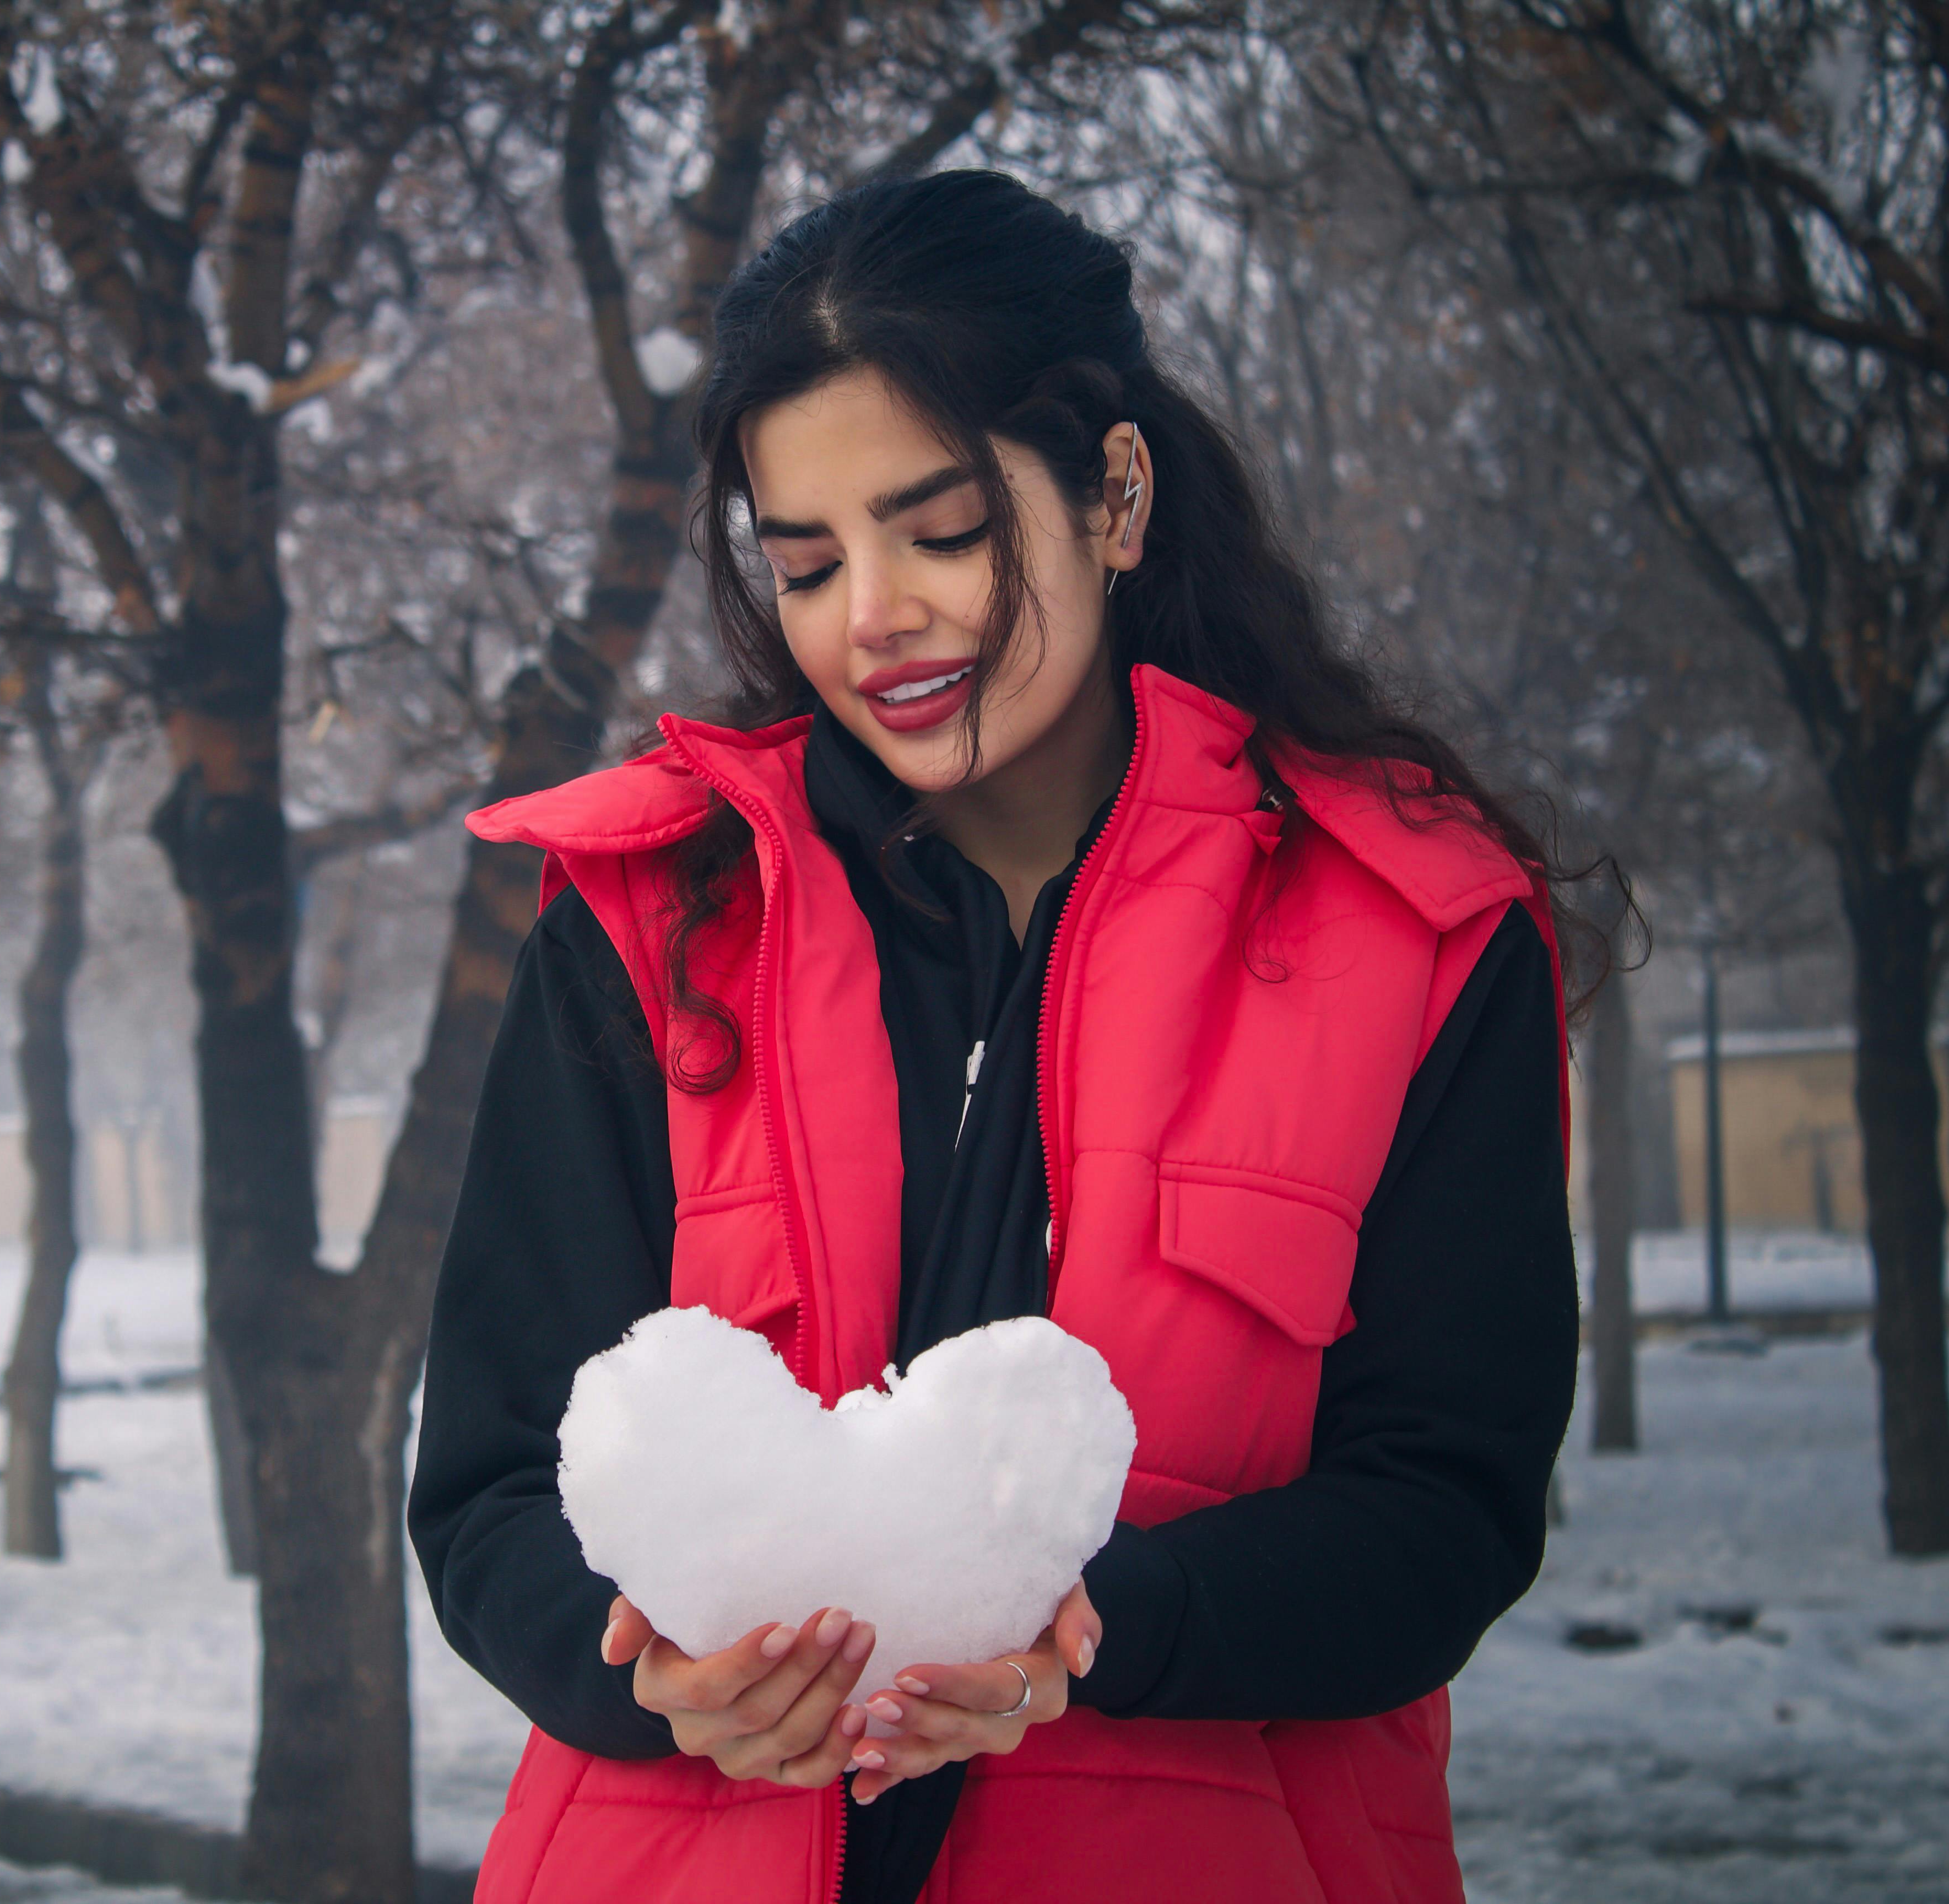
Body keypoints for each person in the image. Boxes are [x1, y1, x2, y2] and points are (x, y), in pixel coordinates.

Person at [407, 170, 1585, 1904]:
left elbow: (1449, 1509)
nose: (869, 615)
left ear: (1114, 493)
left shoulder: (1414, 935)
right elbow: (492, 1487)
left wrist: (1104, 1632)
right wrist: (647, 1675)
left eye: (939, 531)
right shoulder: (646, 926)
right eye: (804, 563)